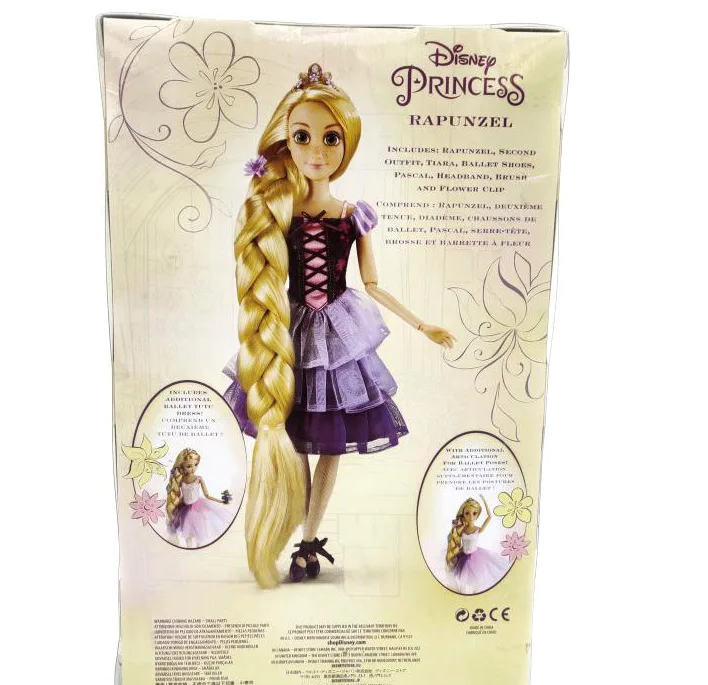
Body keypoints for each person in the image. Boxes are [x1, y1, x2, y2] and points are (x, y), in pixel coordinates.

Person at [223, 63, 455, 587]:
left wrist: (423, 326)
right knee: (295, 438)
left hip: (339, 335)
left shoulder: (353, 215)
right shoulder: (275, 211)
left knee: (329, 442)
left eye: (331, 139)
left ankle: (307, 542)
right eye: (302, 137)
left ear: (346, 145)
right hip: (288, 334)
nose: (317, 152)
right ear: (286, 142)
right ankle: (286, 527)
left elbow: (372, 284)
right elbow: (262, 276)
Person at [166, 448, 232, 548]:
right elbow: (180, 494)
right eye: (189, 466)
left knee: (198, 532)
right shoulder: (181, 479)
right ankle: (189, 548)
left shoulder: (198, 479)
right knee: (187, 532)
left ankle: (198, 547)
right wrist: (175, 503)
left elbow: (207, 495)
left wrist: (220, 501)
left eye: (195, 464)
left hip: (198, 508)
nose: (193, 468)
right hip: (185, 509)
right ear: (182, 466)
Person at [445, 495, 508, 594]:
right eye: (467, 513)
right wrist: (454, 528)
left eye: (474, 513)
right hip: (463, 557)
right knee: (463, 582)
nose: (471, 516)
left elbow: (489, 517)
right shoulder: (462, 529)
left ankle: (476, 596)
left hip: (476, 558)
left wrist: (484, 500)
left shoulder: (478, 530)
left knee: (476, 583)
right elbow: (453, 537)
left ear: (477, 514)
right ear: (463, 514)